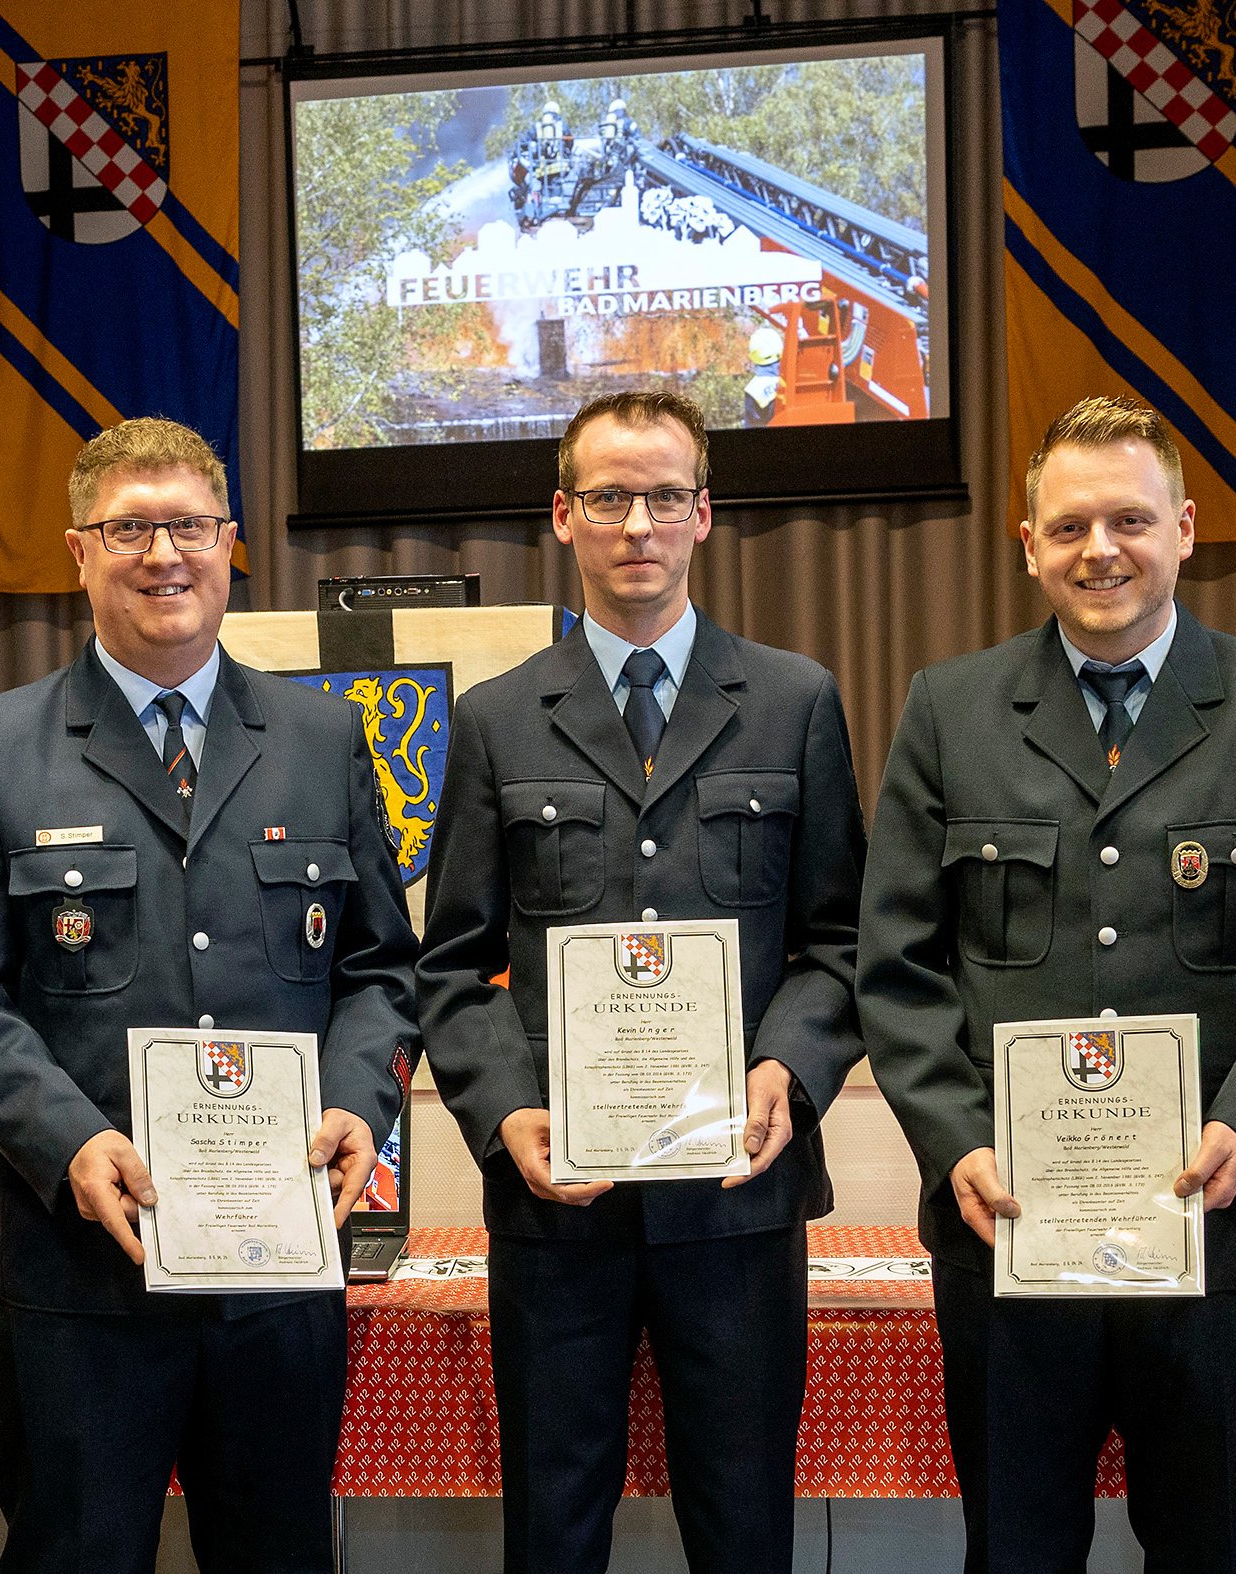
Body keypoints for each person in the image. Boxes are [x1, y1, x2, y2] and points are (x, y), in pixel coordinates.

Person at [860, 395, 1236, 1572]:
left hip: (1211, 1232)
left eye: (1129, 520)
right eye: (1068, 527)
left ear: (1183, 529)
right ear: (1028, 544)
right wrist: (954, 1138)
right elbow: (895, 966)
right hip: (1006, 1230)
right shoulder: (949, 709)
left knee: (1207, 1545)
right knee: (1014, 1549)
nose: (1098, 550)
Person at [0, 417, 418, 1574]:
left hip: (275, 1270)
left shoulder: (322, 737)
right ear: (79, 551)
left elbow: (383, 966)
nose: (163, 554)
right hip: (83, 1274)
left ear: (230, 544)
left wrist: (356, 1099)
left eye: (188, 525)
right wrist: (67, 1136)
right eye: (129, 528)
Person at [415, 389, 864, 1574]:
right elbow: (450, 961)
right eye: (609, 496)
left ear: (703, 513)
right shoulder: (497, 718)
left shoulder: (793, 700)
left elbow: (841, 939)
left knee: (743, 1525)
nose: (637, 524)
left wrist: (788, 1065)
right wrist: (505, 1109)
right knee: (553, 1528)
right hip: (561, 1202)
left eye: (664, 496)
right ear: (562, 514)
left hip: (736, 1200)